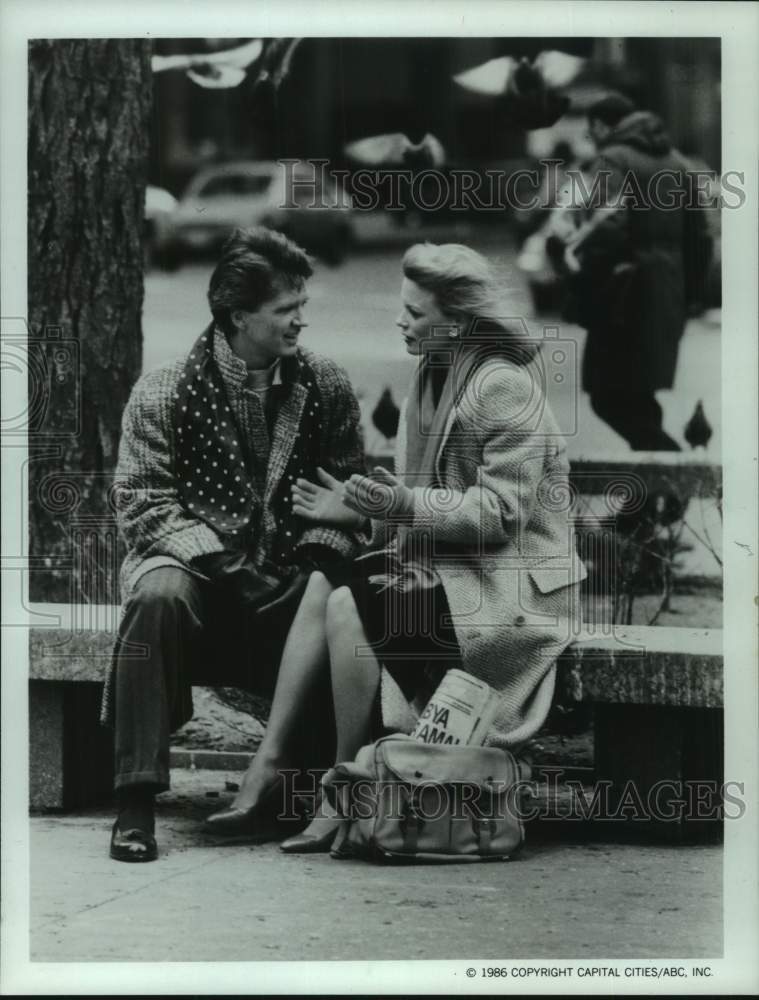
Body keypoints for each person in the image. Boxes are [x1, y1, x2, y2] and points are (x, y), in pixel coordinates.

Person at [219, 242, 587, 854]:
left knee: (347, 601)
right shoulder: (434, 376)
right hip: (457, 573)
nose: (402, 322)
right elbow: (416, 507)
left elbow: (499, 515)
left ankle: (344, 789)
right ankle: (280, 761)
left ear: (458, 321)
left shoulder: (502, 388)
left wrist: (395, 505)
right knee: (326, 580)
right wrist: (365, 508)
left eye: (415, 314)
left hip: (511, 596)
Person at [103, 227, 366, 862]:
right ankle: (135, 803)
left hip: (287, 590)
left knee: (330, 596)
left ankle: (294, 789)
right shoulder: (162, 390)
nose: (300, 321)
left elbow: (346, 496)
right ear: (238, 315)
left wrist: (307, 565)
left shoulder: (324, 385)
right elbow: (141, 503)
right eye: (285, 310)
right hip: (196, 582)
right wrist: (229, 568)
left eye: (301, 306)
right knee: (155, 598)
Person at [564, 94, 712, 451]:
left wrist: (582, 282)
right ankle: (648, 499)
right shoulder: (678, 163)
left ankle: (671, 473)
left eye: (591, 131)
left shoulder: (612, 160)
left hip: (623, 300)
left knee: (608, 398)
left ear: (602, 126)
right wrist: (687, 295)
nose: (592, 137)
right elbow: (701, 238)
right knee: (639, 396)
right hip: (667, 297)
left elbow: (605, 227)